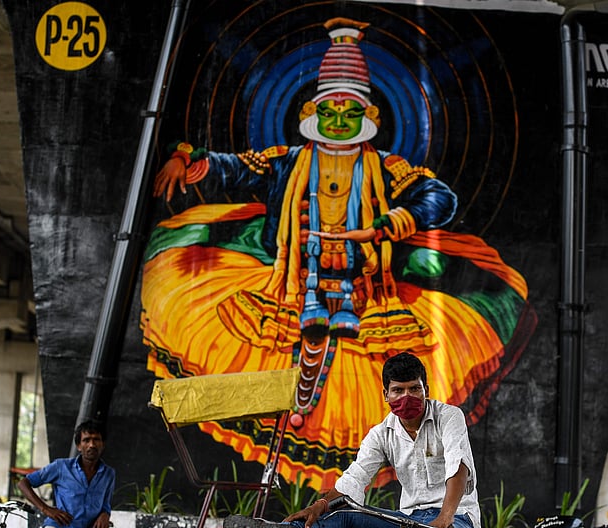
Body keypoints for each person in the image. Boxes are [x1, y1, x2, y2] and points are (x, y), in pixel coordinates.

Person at [143, 16, 536, 493]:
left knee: (357, 398)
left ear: (368, 117)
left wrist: (388, 224)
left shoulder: (387, 167)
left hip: (366, 294)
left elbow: (439, 198)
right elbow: (233, 168)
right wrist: (186, 157)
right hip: (288, 287)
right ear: (314, 112)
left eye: (351, 112)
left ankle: (343, 488)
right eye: (330, 110)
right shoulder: (288, 161)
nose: (339, 121)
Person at [224, 352, 480, 528]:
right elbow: (355, 477)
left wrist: (444, 519)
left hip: (457, 521)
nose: (407, 396)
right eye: (398, 390)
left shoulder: (448, 417)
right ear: (386, 395)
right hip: (408, 523)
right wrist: (320, 504)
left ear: (426, 390)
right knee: (344, 513)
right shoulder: (381, 434)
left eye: (414, 389)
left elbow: (458, 467)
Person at [18, 419, 115, 528]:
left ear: (103, 444)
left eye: (96, 440)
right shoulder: (61, 467)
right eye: (86, 440)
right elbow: (23, 483)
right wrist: (46, 509)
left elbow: (106, 504)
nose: (91, 444)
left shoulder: (108, 474)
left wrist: (105, 514)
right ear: (79, 446)